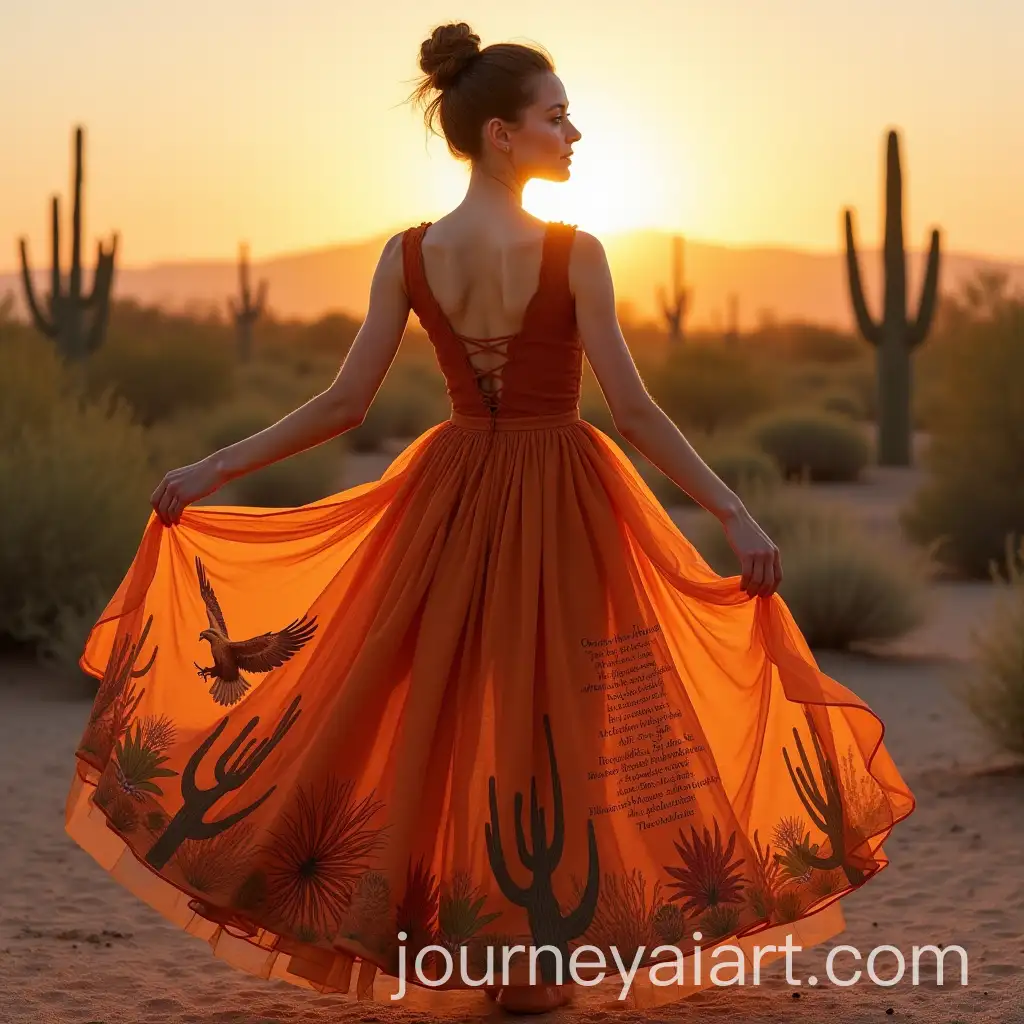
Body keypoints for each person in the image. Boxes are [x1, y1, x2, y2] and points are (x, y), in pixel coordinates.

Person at [67, 21, 915, 1016]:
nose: (575, 134)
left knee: (442, 708)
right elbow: (632, 411)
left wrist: (214, 464)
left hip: (452, 496)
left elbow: (343, 403)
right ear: (503, 134)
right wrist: (733, 514)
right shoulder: (575, 253)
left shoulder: (409, 255)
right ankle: (536, 953)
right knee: (560, 710)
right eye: (556, 117)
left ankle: (461, 939)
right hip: (565, 496)